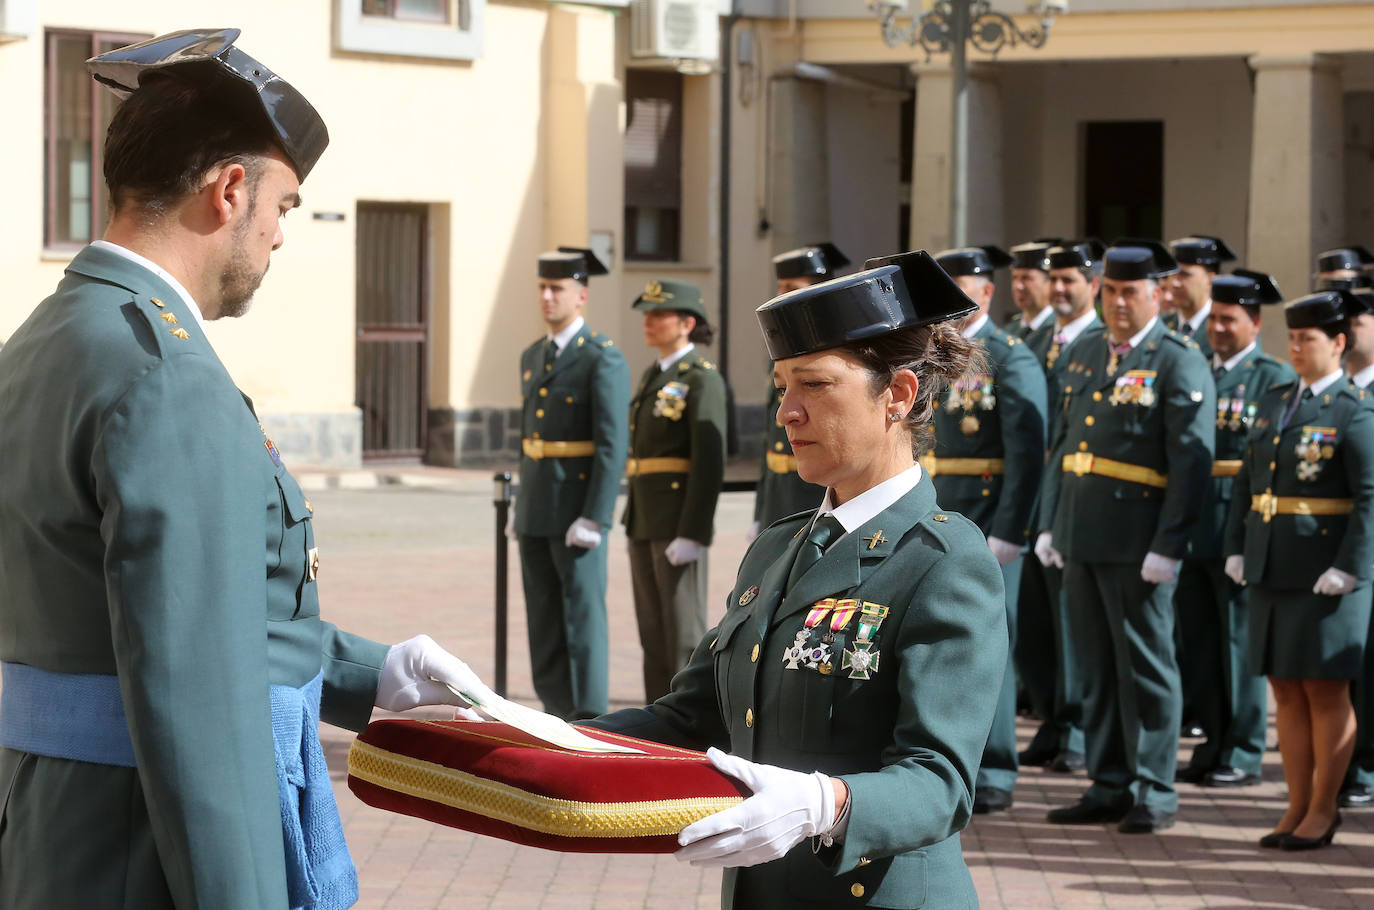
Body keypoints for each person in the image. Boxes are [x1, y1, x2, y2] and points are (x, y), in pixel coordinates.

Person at [0, 30, 488, 909]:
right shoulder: (164, 374)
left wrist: (367, 672)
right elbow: (199, 708)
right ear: (230, 191)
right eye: (286, 207)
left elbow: (152, 612)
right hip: (140, 848)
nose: (278, 236)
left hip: (56, 825)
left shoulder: (48, 337)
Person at [585, 249, 1007, 909]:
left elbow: (939, 782)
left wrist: (824, 803)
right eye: (784, 384)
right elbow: (692, 717)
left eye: (815, 383)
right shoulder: (779, 548)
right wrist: (538, 737)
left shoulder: (943, 559)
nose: (787, 411)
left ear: (897, 395)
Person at [1037, 240, 1215, 834]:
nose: (1117, 303)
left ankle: (1155, 790)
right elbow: (1063, 445)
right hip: (1081, 535)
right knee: (1094, 666)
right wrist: (1051, 522)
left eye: (1129, 293)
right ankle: (1108, 781)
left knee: (1145, 669)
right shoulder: (1086, 351)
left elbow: (1191, 465)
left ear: (1158, 295)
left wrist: (1170, 545)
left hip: (1139, 544)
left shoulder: (1177, 358)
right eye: (1110, 291)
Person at [1224, 289, 1374, 850]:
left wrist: (1351, 568)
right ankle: (1293, 806)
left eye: (1308, 339)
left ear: (1337, 343)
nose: (1297, 348)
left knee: (1325, 689)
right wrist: (1239, 544)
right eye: (1291, 338)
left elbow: (1370, 496)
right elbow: (1248, 480)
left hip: (1327, 571)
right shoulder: (1275, 400)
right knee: (1285, 688)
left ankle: (1322, 808)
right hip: (1274, 565)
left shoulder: (1355, 410)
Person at [931, 245, 1048, 813]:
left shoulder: (1009, 355)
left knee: (990, 643)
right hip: (938, 516)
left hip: (987, 521)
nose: (954, 300)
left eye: (964, 288)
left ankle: (997, 764)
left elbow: (1028, 455)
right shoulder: (934, 354)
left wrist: (1012, 530)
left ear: (987, 291)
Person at [1172, 269, 1293, 788]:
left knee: (1239, 643)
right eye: (1214, 318)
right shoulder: (1196, 365)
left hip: (1239, 524)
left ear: (1255, 323)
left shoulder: (1272, 377)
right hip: (1196, 521)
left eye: (1230, 320)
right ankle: (1213, 741)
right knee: (1199, 642)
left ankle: (1243, 750)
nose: (1218, 328)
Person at [513, 247, 629, 720]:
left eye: (557, 289)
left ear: (580, 296)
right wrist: (522, 506)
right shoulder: (532, 356)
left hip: (577, 509)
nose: (547, 297)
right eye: (542, 288)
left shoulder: (600, 358)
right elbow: (530, 438)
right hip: (538, 507)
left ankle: (589, 718)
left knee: (581, 618)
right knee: (543, 618)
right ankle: (555, 711)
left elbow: (611, 444)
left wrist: (596, 515)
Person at [1015, 240, 1104, 774]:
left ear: (1092, 285)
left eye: (1072, 280)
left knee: (1070, 625)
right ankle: (1051, 715)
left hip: (1069, 495)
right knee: (1037, 624)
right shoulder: (1035, 337)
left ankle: (1075, 726)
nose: (1061, 288)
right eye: (1056, 279)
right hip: (1033, 496)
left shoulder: (1098, 342)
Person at [624, 279, 728, 701]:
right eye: (646, 314)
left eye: (658, 314)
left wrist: (694, 530)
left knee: (683, 632)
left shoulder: (702, 379)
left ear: (687, 323)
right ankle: (656, 715)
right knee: (652, 632)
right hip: (645, 514)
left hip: (677, 517)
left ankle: (688, 717)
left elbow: (709, 461)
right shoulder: (655, 373)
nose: (648, 322)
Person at [751, 243, 848, 540]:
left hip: (815, 493)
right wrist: (760, 511)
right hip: (780, 495)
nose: (781, 295)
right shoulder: (783, 354)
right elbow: (772, 434)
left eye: (791, 287)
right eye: (780, 287)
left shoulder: (839, 352)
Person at [1163, 234, 1237, 362]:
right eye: (1172, 275)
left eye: (1185, 275)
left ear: (1210, 279)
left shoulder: (1225, 328)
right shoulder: (1162, 324)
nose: (1175, 283)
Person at [1006, 238, 1061, 340]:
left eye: (1026, 278)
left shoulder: (1058, 329)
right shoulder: (1011, 329)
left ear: (1049, 281)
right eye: (1015, 278)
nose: (1018, 286)